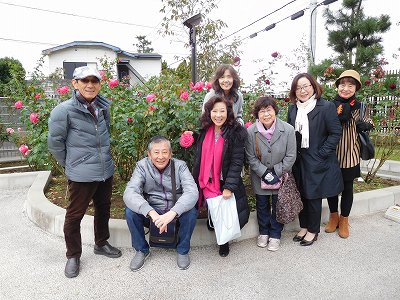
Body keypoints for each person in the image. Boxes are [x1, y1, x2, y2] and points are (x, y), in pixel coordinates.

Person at [48, 66, 121, 278]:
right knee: (74, 215)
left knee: (103, 208)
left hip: (104, 169)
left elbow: (104, 134)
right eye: (85, 81)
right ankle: (73, 255)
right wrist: (71, 164)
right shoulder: (63, 110)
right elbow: (55, 144)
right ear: (75, 83)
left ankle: (101, 243)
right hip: (80, 174)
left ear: (99, 84)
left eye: (94, 81)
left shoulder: (103, 107)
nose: (90, 85)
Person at [123, 136, 198, 271]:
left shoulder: (180, 166)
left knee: (191, 212)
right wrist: (151, 213)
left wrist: (173, 213)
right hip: (152, 209)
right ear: (149, 154)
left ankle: (183, 250)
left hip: (174, 209)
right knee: (130, 212)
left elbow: (192, 192)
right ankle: (142, 249)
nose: (160, 156)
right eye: (156, 152)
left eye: (164, 152)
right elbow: (130, 193)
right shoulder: (142, 166)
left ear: (170, 154)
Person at [287, 73, 343, 246]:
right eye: (298, 87)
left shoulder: (325, 106)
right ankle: (303, 226)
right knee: (301, 193)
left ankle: (313, 230)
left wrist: (322, 153)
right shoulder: (293, 108)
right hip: (298, 159)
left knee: (313, 195)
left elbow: (335, 133)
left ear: (313, 87)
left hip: (316, 158)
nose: (302, 90)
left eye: (306, 86)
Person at [189, 95, 249, 257]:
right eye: (214, 111)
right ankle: (213, 223)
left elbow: (237, 162)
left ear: (228, 112)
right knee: (213, 209)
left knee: (223, 212)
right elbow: (201, 153)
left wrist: (229, 186)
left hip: (224, 180)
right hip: (206, 179)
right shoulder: (205, 130)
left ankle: (223, 242)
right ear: (209, 113)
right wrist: (190, 138)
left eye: (222, 111)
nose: (218, 115)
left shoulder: (235, 132)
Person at [325, 70, 374, 238]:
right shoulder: (330, 106)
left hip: (350, 153)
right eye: (342, 84)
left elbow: (369, 121)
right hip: (332, 153)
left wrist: (365, 125)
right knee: (331, 188)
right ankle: (333, 217)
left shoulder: (361, 106)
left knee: (347, 188)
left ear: (356, 88)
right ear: (337, 86)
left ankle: (344, 219)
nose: (346, 88)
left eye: (350, 85)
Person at [245, 96, 296, 251]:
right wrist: (264, 172)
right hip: (259, 176)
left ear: (275, 110)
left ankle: (275, 234)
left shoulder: (288, 129)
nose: (266, 114)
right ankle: (264, 232)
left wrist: (276, 171)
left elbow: (291, 155)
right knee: (262, 206)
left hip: (281, 176)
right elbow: (250, 156)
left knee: (278, 205)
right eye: (262, 111)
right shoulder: (251, 131)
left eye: (269, 110)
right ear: (257, 114)